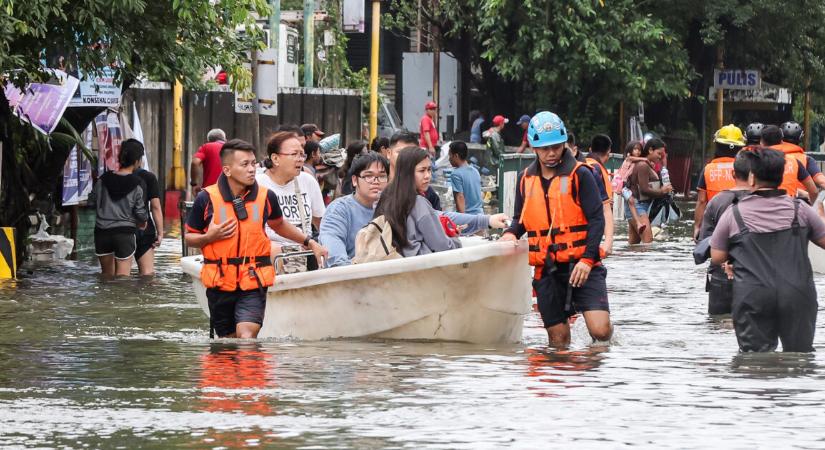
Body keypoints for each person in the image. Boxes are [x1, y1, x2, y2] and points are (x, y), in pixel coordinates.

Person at [185, 139, 328, 338]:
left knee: (246, 336)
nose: (252, 169)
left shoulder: (266, 196)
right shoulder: (206, 198)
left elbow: (279, 225)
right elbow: (189, 237)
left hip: (253, 280)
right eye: (245, 165)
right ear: (227, 170)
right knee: (227, 343)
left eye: (253, 163)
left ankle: (250, 367)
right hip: (220, 282)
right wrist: (210, 236)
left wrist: (309, 241)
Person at [501, 111, 611, 347]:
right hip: (547, 270)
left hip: (583, 264)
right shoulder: (525, 179)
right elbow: (520, 219)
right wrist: (510, 233)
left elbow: (596, 220)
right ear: (533, 148)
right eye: (544, 148)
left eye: (557, 147)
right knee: (558, 341)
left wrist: (588, 260)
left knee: (600, 331)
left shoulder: (581, 174)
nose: (551, 153)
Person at [711, 148, 825, 352]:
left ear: (752, 177)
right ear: (781, 177)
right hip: (797, 294)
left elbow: (716, 255)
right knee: (800, 356)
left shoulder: (733, 213)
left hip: (753, 296)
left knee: (756, 361)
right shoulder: (801, 210)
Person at [320, 152, 508, 267]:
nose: (375, 182)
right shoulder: (339, 210)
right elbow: (332, 251)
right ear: (354, 180)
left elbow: (440, 217)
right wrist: (352, 274)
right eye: (368, 176)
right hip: (358, 276)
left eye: (381, 176)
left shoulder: (394, 204)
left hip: (392, 273)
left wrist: (488, 221)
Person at [256, 132, 326, 273]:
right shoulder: (257, 184)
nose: (300, 159)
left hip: (305, 251)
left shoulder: (307, 181)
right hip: (269, 255)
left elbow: (321, 222)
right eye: (294, 154)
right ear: (275, 158)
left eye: (302, 154)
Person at [374, 147, 460, 256]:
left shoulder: (387, 195)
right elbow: (443, 247)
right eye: (422, 170)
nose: (427, 176)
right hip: (418, 268)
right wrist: (455, 240)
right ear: (407, 173)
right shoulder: (419, 203)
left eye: (429, 170)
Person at [696, 150, 752, 316]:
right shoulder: (763, 203)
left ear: (733, 173)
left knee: (718, 327)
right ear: (754, 175)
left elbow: (705, 242)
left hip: (721, 277)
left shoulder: (716, 201)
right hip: (755, 277)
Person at [94, 140, 148, 277]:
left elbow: (94, 201)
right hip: (124, 234)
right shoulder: (137, 183)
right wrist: (143, 222)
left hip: (102, 233)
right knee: (123, 280)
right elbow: (140, 212)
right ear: (137, 161)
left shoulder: (103, 180)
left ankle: (105, 299)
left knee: (106, 276)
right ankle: (119, 299)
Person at [693, 124, 746, 241]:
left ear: (717, 145)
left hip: (715, 224)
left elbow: (702, 201)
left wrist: (697, 227)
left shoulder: (708, 169)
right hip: (741, 223)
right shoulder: (745, 168)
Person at [126, 139, 164, 277]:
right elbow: (155, 207)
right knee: (147, 275)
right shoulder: (148, 177)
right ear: (139, 158)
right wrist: (160, 233)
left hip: (121, 229)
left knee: (120, 277)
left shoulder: (113, 176)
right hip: (144, 229)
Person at [625, 138, 672, 244]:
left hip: (637, 206)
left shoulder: (646, 165)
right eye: (658, 154)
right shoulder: (643, 165)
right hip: (638, 207)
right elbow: (644, 189)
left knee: (633, 246)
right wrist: (662, 191)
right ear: (650, 150)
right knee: (648, 243)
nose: (660, 157)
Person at [760, 125, 817, 202]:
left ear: (761, 142)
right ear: (781, 141)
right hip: (789, 207)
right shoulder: (794, 161)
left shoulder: (753, 161)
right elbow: (814, 191)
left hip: (761, 208)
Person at [389, 131, 441, 210]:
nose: (406, 157)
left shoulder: (428, 194)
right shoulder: (376, 186)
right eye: (400, 152)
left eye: (411, 153)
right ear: (389, 153)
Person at [585, 134, 615, 256]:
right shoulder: (596, 168)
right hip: (596, 221)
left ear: (590, 150)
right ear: (608, 151)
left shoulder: (584, 164)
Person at [781, 121, 825, 190]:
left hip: (773, 198)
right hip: (799, 199)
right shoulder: (806, 159)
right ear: (800, 138)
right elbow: (822, 182)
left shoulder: (770, 156)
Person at [448, 141, 484, 215]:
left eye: (450, 155)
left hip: (468, 217)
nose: (449, 159)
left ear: (456, 156)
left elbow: (459, 197)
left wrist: (462, 219)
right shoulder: (475, 171)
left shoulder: (456, 174)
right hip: (480, 215)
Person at [190, 128, 226, 194]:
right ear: (224, 139)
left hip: (210, 192)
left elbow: (195, 162)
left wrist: (194, 184)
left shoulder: (207, 147)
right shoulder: (233, 149)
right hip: (232, 192)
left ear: (209, 140)